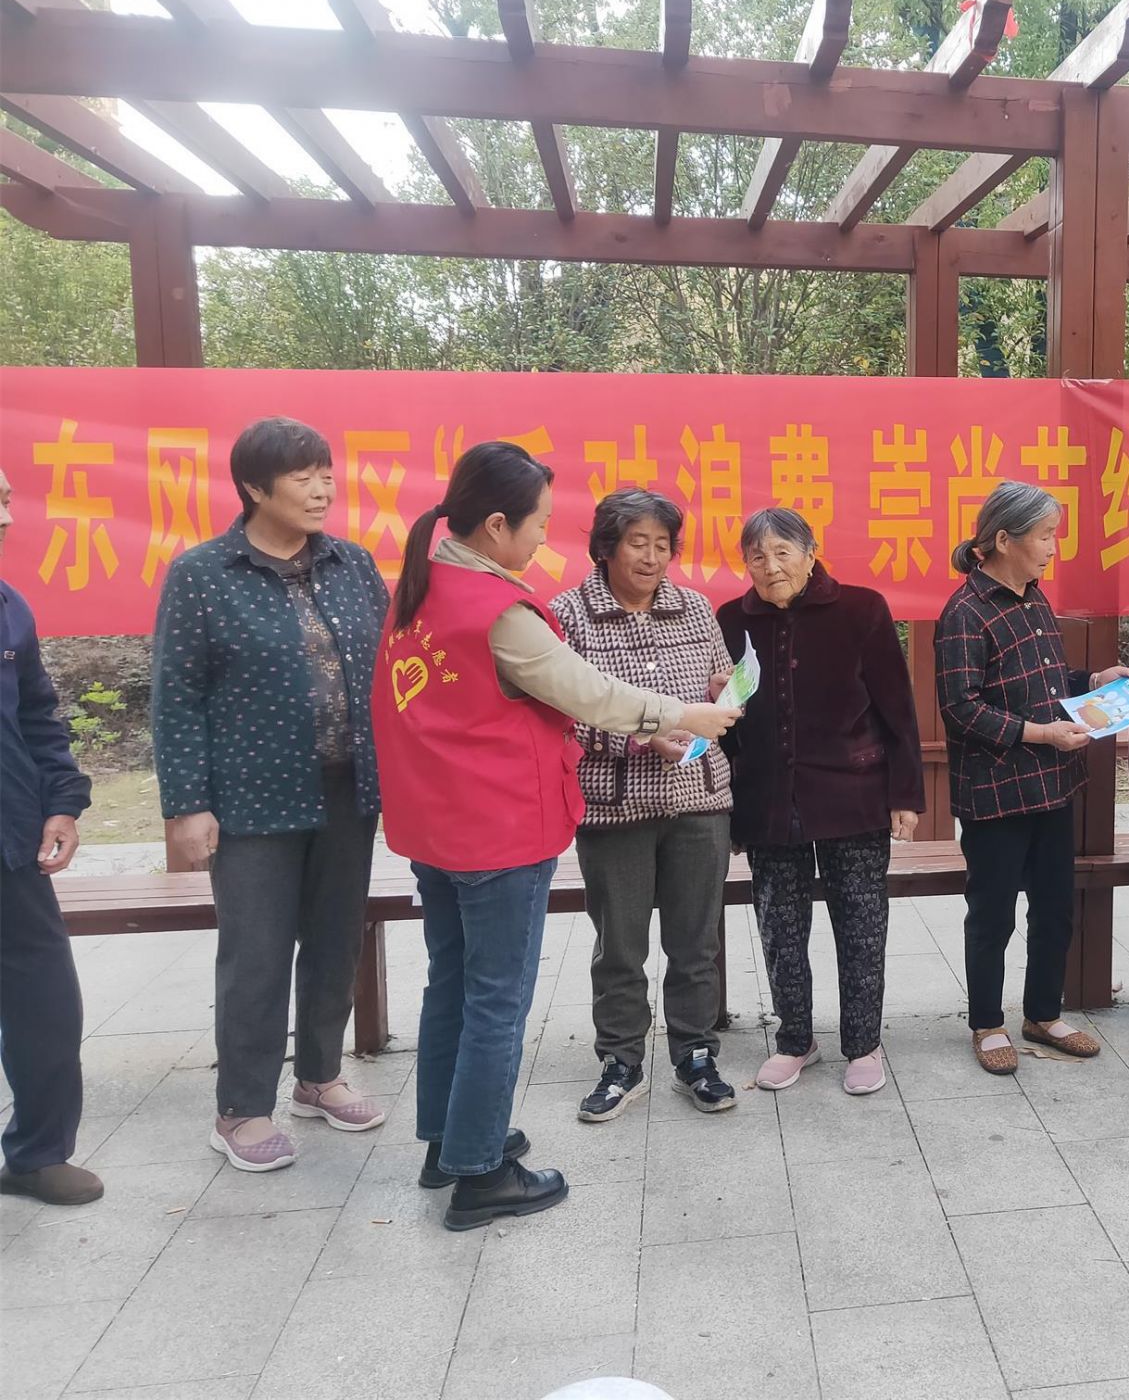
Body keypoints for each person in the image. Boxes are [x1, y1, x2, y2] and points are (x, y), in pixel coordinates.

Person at [372, 442, 739, 1230]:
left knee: (453, 986)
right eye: (538, 523)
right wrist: (681, 715)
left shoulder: (421, 590)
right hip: (498, 828)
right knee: (497, 1003)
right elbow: (587, 693)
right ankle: (482, 1174)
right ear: (496, 525)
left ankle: (448, 1144)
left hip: (439, 826)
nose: (544, 539)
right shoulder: (499, 610)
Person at [151, 418, 392, 1173]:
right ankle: (241, 1108)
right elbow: (177, 697)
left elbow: (391, 670)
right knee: (256, 951)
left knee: (335, 939)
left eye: (327, 473)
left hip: (347, 790)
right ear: (255, 487)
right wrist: (187, 804)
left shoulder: (353, 565)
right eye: (302, 476)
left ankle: (319, 1078)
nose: (322, 489)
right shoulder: (203, 574)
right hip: (253, 797)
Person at [717, 508, 924, 1098]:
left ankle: (863, 1043)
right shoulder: (731, 619)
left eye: (782, 552)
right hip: (768, 801)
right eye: (757, 556)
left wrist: (906, 794)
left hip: (853, 796)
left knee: (861, 925)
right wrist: (731, 807)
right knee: (780, 928)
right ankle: (794, 1040)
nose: (770, 566)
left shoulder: (862, 609)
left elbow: (897, 708)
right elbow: (725, 721)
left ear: (811, 554)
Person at [551, 489, 738, 1120]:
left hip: (699, 798)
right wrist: (641, 737)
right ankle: (620, 1061)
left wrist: (724, 691)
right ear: (606, 547)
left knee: (696, 942)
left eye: (663, 545)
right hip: (616, 808)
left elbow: (718, 685)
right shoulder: (569, 615)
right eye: (638, 543)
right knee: (620, 946)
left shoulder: (695, 607)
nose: (652, 557)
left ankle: (696, 1055)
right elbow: (563, 714)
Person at [935, 482, 1129, 1075]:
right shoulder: (965, 612)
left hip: (1052, 784)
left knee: (1054, 908)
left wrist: (1092, 681)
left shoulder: (1034, 598)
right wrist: (1042, 733)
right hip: (995, 793)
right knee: (992, 914)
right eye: (1045, 536)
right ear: (1004, 539)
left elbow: (1044, 682)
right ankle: (987, 1023)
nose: (1052, 547)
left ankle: (1043, 1014)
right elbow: (961, 708)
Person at [0, 468, 102, 1206]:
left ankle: (37, 1154)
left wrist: (61, 804)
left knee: (46, 1001)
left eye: (6, 500)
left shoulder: (9, 608)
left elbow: (38, 716)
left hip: (11, 850)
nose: (6, 518)